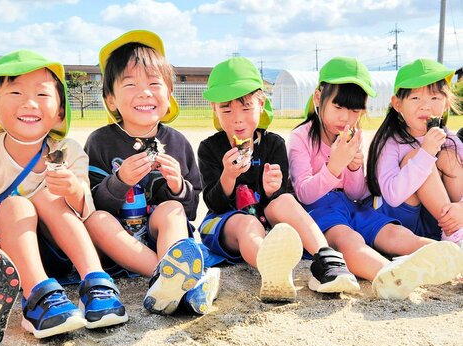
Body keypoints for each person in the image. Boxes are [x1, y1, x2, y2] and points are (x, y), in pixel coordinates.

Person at [0, 50, 127, 346]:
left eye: (42, 93)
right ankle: (37, 297)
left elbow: (85, 210)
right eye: (15, 92)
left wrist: (73, 190)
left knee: (50, 195)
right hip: (8, 251)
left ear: (60, 111)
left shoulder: (70, 150)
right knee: (16, 205)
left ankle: (96, 284)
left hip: (59, 250)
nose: (29, 102)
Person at [288, 56, 463, 300]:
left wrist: (352, 170)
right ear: (319, 98)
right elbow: (304, 194)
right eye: (338, 107)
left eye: (355, 111)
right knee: (349, 240)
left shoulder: (352, 136)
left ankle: (452, 255)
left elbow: (359, 193)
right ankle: (388, 273)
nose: (346, 118)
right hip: (321, 210)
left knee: (392, 233)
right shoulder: (301, 137)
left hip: (356, 207)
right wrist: (335, 167)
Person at [197, 56, 360, 303]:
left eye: (245, 107)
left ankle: (326, 259)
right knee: (247, 224)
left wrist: (273, 189)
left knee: (284, 201)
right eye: (226, 109)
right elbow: (214, 203)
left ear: (261, 104)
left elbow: (281, 197)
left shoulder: (273, 144)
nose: (237, 118)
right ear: (215, 109)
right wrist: (228, 176)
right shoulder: (209, 148)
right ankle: (272, 269)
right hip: (225, 224)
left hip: (267, 222)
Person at [84, 30, 220, 316]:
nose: (144, 92)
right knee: (95, 220)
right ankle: (167, 276)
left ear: (169, 95)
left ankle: (172, 277)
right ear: (111, 100)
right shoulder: (100, 141)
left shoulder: (178, 142)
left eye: (154, 83)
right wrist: (120, 182)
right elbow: (92, 203)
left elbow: (191, 209)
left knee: (171, 208)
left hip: (163, 237)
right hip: (118, 244)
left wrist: (177, 186)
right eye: (130, 84)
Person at [367, 58, 463, 245]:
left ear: (445, 103)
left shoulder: (450, 139)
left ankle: (455, 230)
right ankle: (455, 233)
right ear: (397, 104)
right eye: (415, 98)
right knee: (416, 156)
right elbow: (393, 197)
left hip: (437, 223)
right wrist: (425, 154)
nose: (425, 106)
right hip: (401, 223)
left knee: (449, 155)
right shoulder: (390, 143)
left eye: (435, 98)